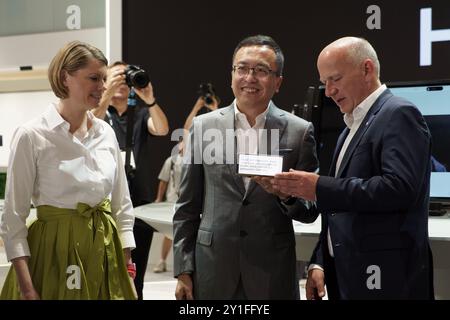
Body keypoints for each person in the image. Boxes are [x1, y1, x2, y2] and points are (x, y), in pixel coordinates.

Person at [272, 37, 434, 300]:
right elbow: (338, 213)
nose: (328, 91)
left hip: (387, 279)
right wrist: (320, 261)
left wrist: (318, 186)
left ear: (367, 69)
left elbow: (400, 188)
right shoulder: (349, 128)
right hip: (347, 276)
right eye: (324, 82)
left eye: (335, 79)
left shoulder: (399, 113)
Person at [173, 34, 319, 300]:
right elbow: (186, 207)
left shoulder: (299, 132)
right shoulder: (204, 127)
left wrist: (285, 194)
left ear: (278, 82)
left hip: (272, 272)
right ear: (232, 75)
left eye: (261, 70)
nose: (250, 77)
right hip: (212, 269)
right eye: (242, 68)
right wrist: (184, 269)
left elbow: (309, 210)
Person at [0, 41, 136, 299]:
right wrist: (27, 289)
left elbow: (122, 205)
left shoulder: (106, 133)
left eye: (104, 78)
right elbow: (13, 219)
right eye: (94, 78)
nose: (103, 87)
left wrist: (127, 264)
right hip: (53, 253)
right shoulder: (31, 135)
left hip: (104, 251)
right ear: (65, 78)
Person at [92, 61, 169, 299]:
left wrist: (150, 99)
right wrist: (105, 96)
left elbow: (162, 129)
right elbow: (87, 126)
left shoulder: (141, 113)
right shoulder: (100, 114)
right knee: (104, 270)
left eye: (127, 79)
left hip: (139, 197)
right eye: (117, 77)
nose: (122, 83)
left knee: (137, 271)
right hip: (105, 197)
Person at [152, 139, 184, 273]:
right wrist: (159, 198)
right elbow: (163, 181)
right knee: (169, 233)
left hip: (188, 202)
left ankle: (183, 265)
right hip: (172, 201)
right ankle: (162, 261)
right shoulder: (171, 160)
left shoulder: (196, 160)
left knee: (185, 232)